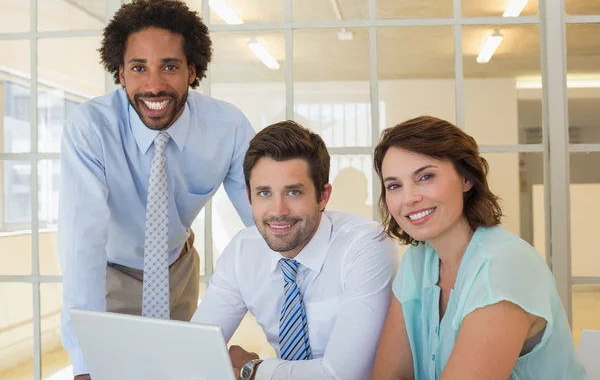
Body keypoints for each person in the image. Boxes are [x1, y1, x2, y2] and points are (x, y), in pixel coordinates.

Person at [58, 0, 255, 379]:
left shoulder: (227, 128)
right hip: (110, 274)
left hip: (178, 270)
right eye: (138, 67)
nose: (153, 85)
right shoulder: (90, 129)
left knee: (175, 372)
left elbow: (265, 221)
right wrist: (83, 363)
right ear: (120, 72)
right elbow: (83, 245)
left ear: (192, 71)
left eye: (169, 66)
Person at [370, 116, 587, 379]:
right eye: (394, 185)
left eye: (426, 176)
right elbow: (389, 375)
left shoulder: (505, 266)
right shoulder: (417, 260)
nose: (410, 198)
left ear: (466, 179)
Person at [191, 120, 396, 379]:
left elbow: (342, 376)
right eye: (264, 193)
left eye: (293, 192)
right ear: (249, 196)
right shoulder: (243, 250)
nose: (278, 211)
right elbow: (195, 350)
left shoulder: (366, 245)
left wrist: (252, 370)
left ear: (323, 196)